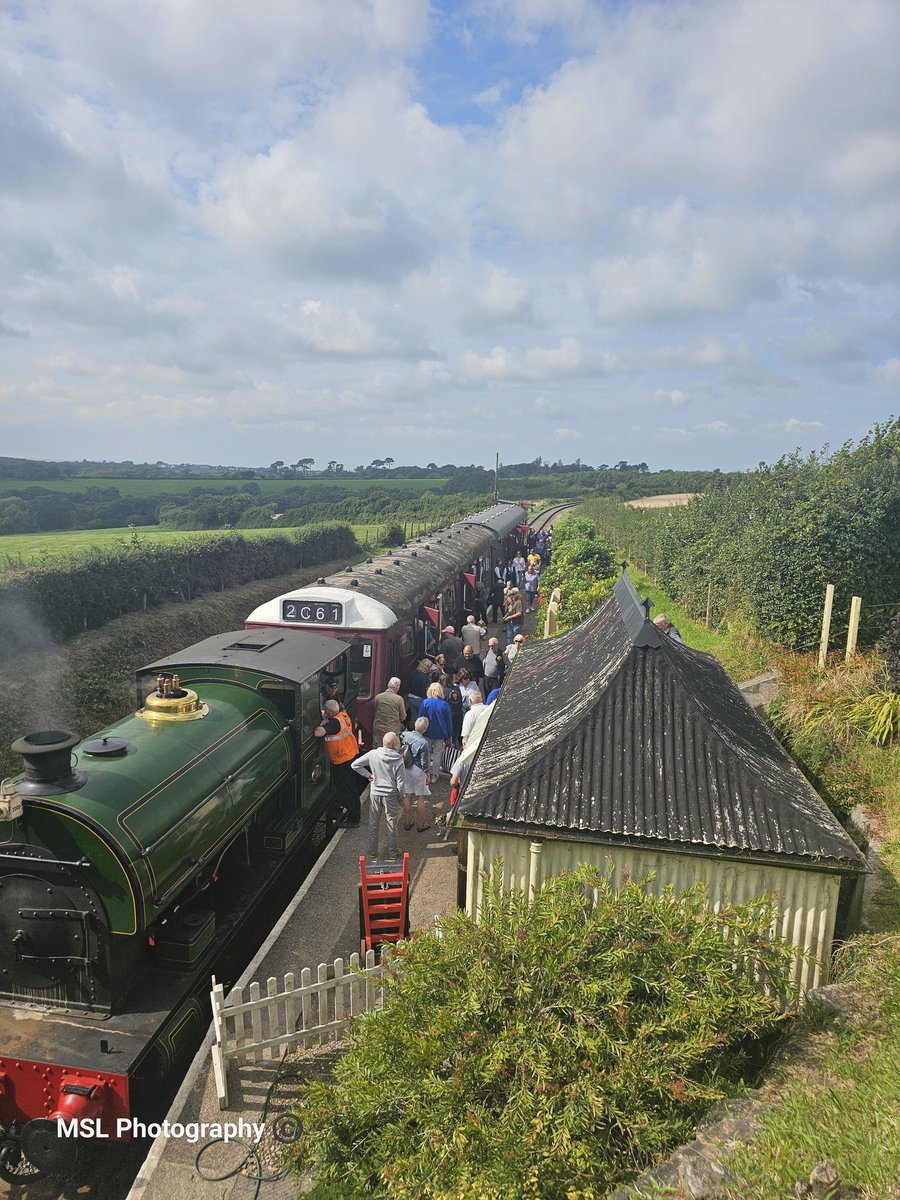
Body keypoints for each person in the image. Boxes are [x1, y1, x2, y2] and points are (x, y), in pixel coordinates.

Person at [352, 732, 406, 860]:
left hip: (375, 792)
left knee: (373, 823)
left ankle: (372, 851)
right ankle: (393, 852)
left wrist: (368, 775)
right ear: (394, 744)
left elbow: (355, 765)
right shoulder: (398, 760)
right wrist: (401, 797)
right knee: (391, 822)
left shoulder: (373, 754)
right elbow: (401, 783)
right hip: (391, 795)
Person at [314, 699, 361, 827]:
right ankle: (356, 812)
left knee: (345, 790)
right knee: (352, 788)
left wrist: (322, 724)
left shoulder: (334, 724)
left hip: (341, 761)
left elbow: (318, 733)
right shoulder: (344, 716)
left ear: (329, 712)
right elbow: (343, 709)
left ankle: (353, 820)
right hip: (350, 756)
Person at [400, 717, 431, 832]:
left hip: (406, 767)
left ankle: (407, 822)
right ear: (425, 729)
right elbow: (424, 762)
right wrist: (427, 773)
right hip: (417, 770)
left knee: (407, 796)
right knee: (420, 797)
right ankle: (421, 823)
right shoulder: (423, 743)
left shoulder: (405, 735)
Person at [418, 682, 453, 783]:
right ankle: (434, 775)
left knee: (427, 753)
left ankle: (426, 774)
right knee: (437, 754)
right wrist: (449, 735)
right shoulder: (444, 704)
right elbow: (448, 721)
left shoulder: (425, 702)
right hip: (441, 733)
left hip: (427, 732)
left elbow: (420, 718)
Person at [371, 677, 406, 747]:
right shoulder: (399, 699)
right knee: (391, 750)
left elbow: (375, 709)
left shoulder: (378, 697)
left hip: (378, 729)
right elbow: (403, 717)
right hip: (392, 730)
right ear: (397, 687)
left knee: (378, 750)